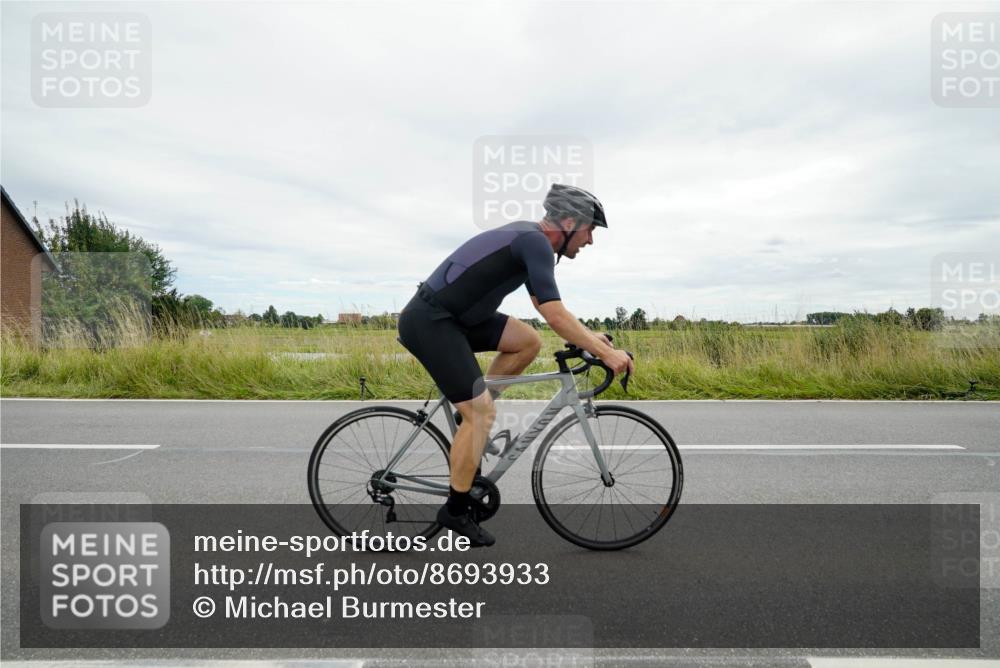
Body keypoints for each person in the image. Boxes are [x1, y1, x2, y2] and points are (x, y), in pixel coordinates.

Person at [397, 183, 634, 547]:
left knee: (527, 341)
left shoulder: (532, 242)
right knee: (482, 415)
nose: (590, 241)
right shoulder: (533, 240)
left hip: (458, 320)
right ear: (569, 222)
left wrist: (589, 339)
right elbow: (554, 313)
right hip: (431, 322)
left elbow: (547, 308)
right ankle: (455, 510)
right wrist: (606, 355)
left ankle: (470, 418)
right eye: (590, 231)